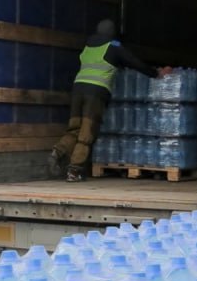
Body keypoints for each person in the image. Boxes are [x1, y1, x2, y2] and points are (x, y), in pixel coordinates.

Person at [50, 18, 171, 182]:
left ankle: (58, 152)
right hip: (95, 93)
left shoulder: (88, 46)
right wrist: (155, 73)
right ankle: (75, 171)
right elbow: (134, 62)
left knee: (74, 128)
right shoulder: (113, 46)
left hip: (77, 90)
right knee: (87, 132)